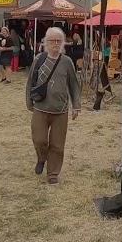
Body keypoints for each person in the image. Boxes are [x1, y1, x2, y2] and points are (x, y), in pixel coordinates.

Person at [26, 27, 81, 185]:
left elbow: (74, 85)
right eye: (52, 41)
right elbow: (30, 82)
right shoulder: (38, 59)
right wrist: (29, 102)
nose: (55, 43)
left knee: (57, 145)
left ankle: (53, 174)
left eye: (59, 41)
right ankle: (42, 158)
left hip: (60, 110)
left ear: (63, 43)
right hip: (40, 108)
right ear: (46, 42)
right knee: (39, 139)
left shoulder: (67, 62)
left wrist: (76, 105)